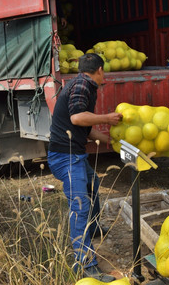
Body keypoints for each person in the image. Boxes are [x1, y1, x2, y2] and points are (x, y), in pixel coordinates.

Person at [48, 53, 122, 281]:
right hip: (66, 157)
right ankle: (86, 264)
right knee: (80, 207)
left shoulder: (81, 84)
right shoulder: (82, 84)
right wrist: (107, 118)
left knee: (93, 184)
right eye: (104, 71)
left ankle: (94, 227)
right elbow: (78, 119)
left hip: (73, 155)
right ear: (99, 70)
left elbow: (85, 129)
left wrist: (110, 142)